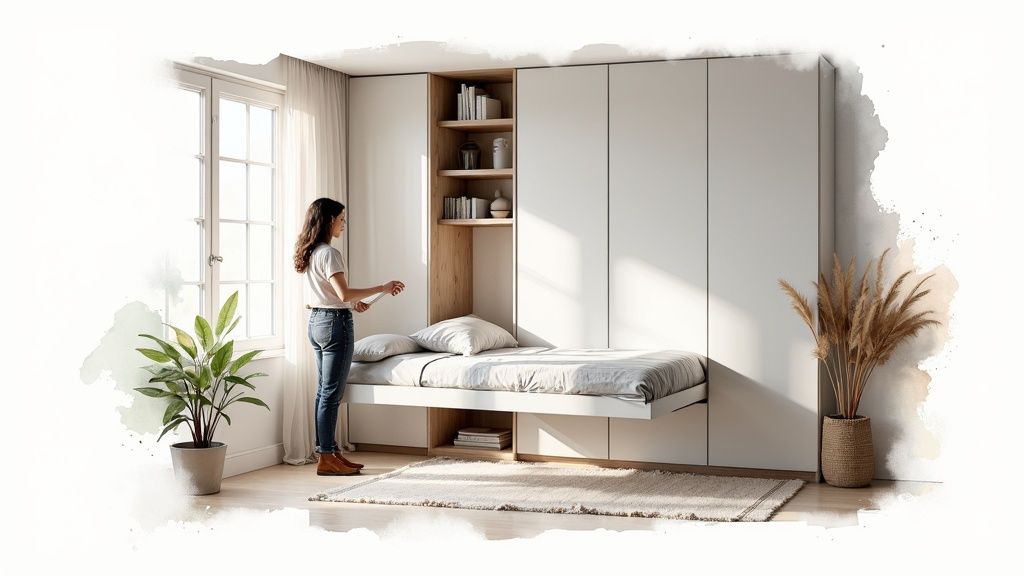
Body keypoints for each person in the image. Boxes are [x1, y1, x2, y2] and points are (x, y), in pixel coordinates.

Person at [293, 198, 405, 476]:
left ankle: (330, 453)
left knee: (323, 392)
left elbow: (332, 295)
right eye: (342, 219)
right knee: (331, 393)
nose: (344, 224)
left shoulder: (311, 251)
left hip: (317, 321)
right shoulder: (329, 254)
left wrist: (353, 304)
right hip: (334, 324)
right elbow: (342, 294)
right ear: (330, 220)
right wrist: (383, 286)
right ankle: (327, 457)